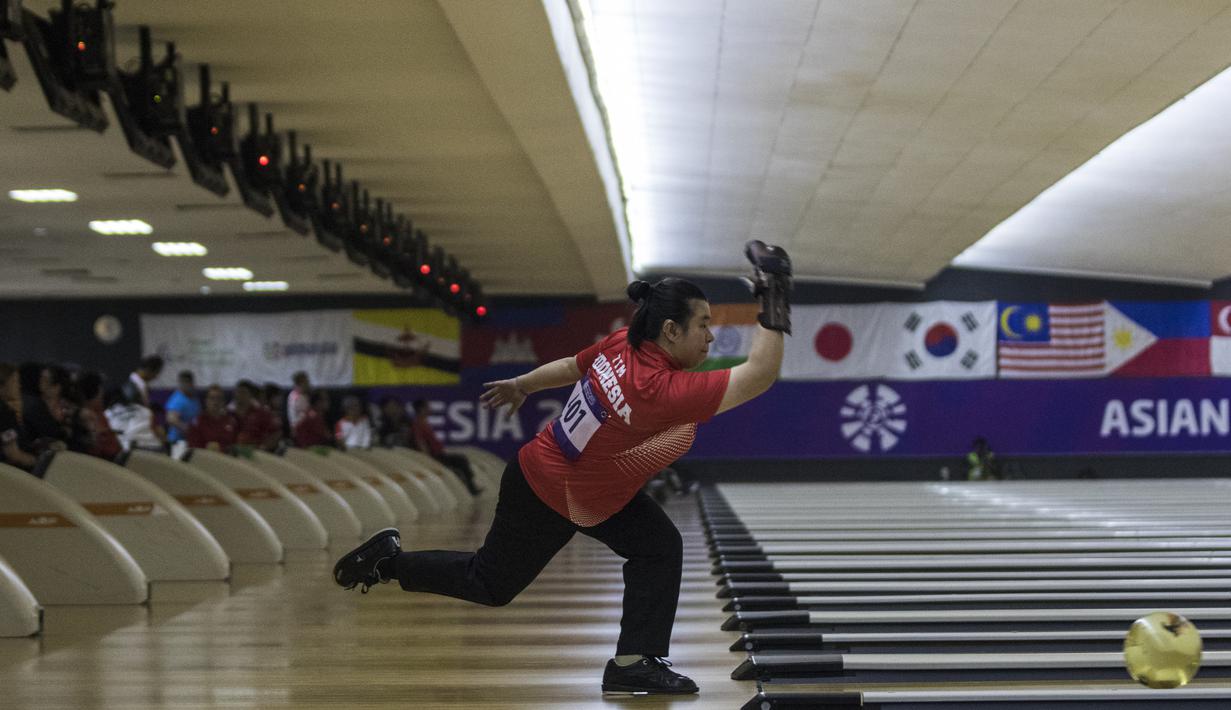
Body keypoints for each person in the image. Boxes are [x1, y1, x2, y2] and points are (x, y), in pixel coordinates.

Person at [332, 240, 792, 695]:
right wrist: (774, 292)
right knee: (491, 583)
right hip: (551, 490)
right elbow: (759, 374)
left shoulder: (623, 347)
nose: (711, 337)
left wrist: (522, 384)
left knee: (658, 546)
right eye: (704, 325)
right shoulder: (658, 389)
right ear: (671, 331)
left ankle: (635, 662)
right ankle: (387, 564)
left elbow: (574, 365)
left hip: (574, 483)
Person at [410, 399, 481, 495]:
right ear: (421, 409)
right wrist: (427, 459)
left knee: (460, 460)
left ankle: (470, 486)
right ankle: (470, 487)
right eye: (427, 407)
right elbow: (420, 442)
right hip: (435, 456)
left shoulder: (424, 423)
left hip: (439, 454)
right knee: (461, 460)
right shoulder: (418, 424)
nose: (430, 409)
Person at [0, 362, 38, 471]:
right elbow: (12, 454)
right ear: (3, 385)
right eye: (15, 381)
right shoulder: (5, 413)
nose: (19, 385)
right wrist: (38, 462)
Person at [77, 371, 122, 460]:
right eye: (101, 390)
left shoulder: (97, 413)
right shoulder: (90, 416)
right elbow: (108, 451)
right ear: (97, 392)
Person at [104, 387, 165, 453]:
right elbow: (157, 431)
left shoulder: (107, 414)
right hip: (153, 447)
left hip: (127, 451)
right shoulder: (145, 410)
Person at [186, 385, 238, 452]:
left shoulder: (231, 421)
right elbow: (192, 448)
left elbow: (235, 445)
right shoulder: (197, 422)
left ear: (223, 402)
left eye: (219, 398)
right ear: (206, 401)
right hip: (205, 458)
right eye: (212, 398)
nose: (215, 402)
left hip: (227, 458)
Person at [233, 380, 281, 451]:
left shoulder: (262, 414)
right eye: (238, 392)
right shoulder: (229, 414)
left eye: (243, 393)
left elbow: (277, 433)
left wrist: (265, 447)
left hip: (256, 452)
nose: (240, 396)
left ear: (250, 395)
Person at [164, 371, 200, 447]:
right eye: (183, 382)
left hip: (191, 440)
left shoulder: (194, 398)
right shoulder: (177, 399)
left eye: (188, 382)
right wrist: (187, 428)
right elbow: (171, 419)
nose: (186, 385)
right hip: (177, 441)